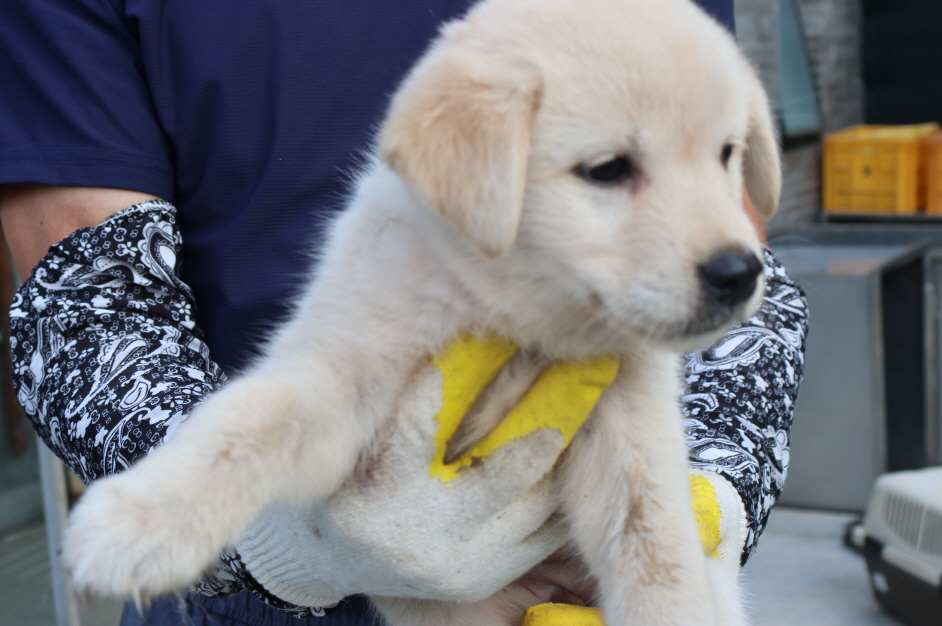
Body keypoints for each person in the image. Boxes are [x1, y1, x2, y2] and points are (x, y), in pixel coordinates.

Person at [0, 1, 808, 625]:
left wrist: (716, 491)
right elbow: (89, 302)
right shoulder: (415, 210)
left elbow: (729, 249)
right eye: (607, 167)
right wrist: (266, 544)